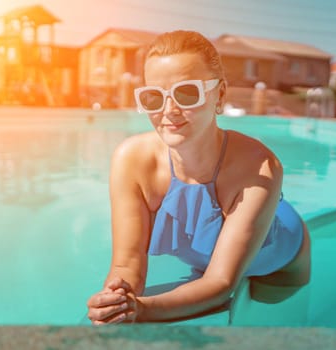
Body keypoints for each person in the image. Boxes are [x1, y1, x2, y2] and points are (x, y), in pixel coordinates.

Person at [87, 30, 310, 324]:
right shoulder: (132, 160)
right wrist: (115, 299)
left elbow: (220, 284)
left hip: (278, 264)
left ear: (219, 95)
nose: (169, 110)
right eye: (154, 97)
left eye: (187, 93)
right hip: (213, 262)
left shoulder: (261, 166)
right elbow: (127, 262)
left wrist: (142, 309)